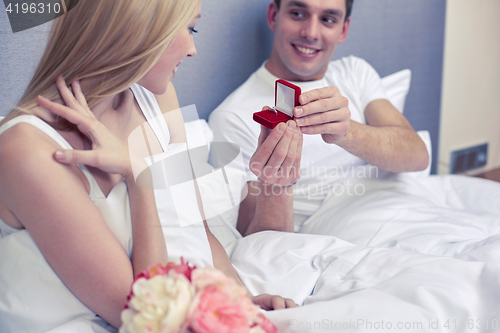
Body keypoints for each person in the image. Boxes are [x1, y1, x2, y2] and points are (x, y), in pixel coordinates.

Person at [0, 0, 296, 332]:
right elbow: (143, 316)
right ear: (137, 29)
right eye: (188, 28)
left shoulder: (158, 97)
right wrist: (139, 176)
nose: (193, 49)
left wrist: (238, 303)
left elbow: (195, 229)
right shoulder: (28, 151)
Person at [209, 0, 429, 236]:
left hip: (407, 216)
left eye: (327, 19)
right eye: (297, 13)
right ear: (274, 15)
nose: (311, 33)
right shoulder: (232, 117)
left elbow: (418, 156)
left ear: (343, 29)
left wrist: (347, 133)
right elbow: (256, 238)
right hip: (341, 237)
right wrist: (277, 184)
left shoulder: (355, 73)